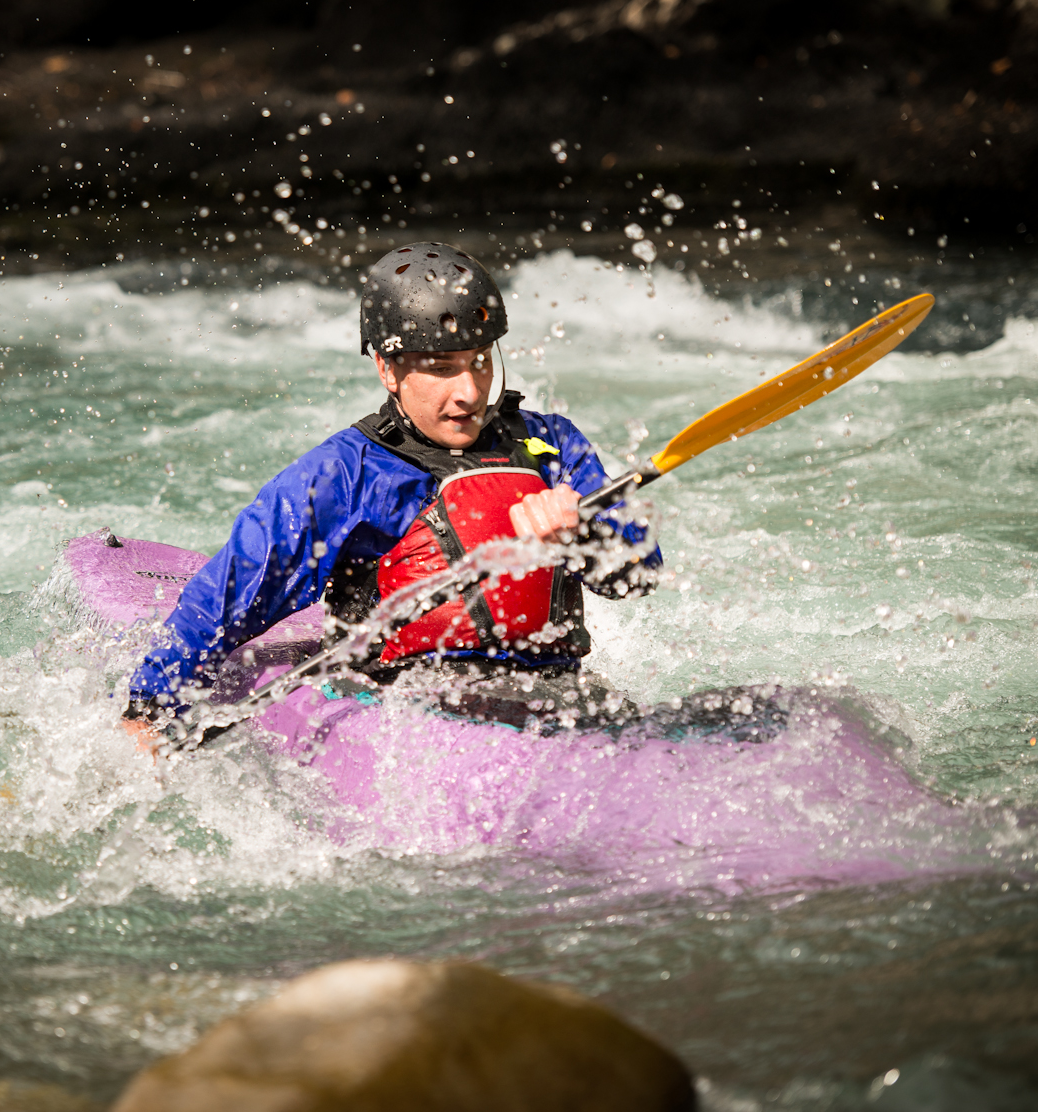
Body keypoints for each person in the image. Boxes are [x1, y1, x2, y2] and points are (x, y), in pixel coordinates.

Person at [122, 242, 662, 746]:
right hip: (417, 713)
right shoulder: (346, 474)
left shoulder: (550, 444)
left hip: (561, 699)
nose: (469, 392)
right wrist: (148, 711)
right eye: (442, 369)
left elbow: (639, 576)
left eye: (480, 361)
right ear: (387, 368)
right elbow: (231, 593)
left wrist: (587, 532)